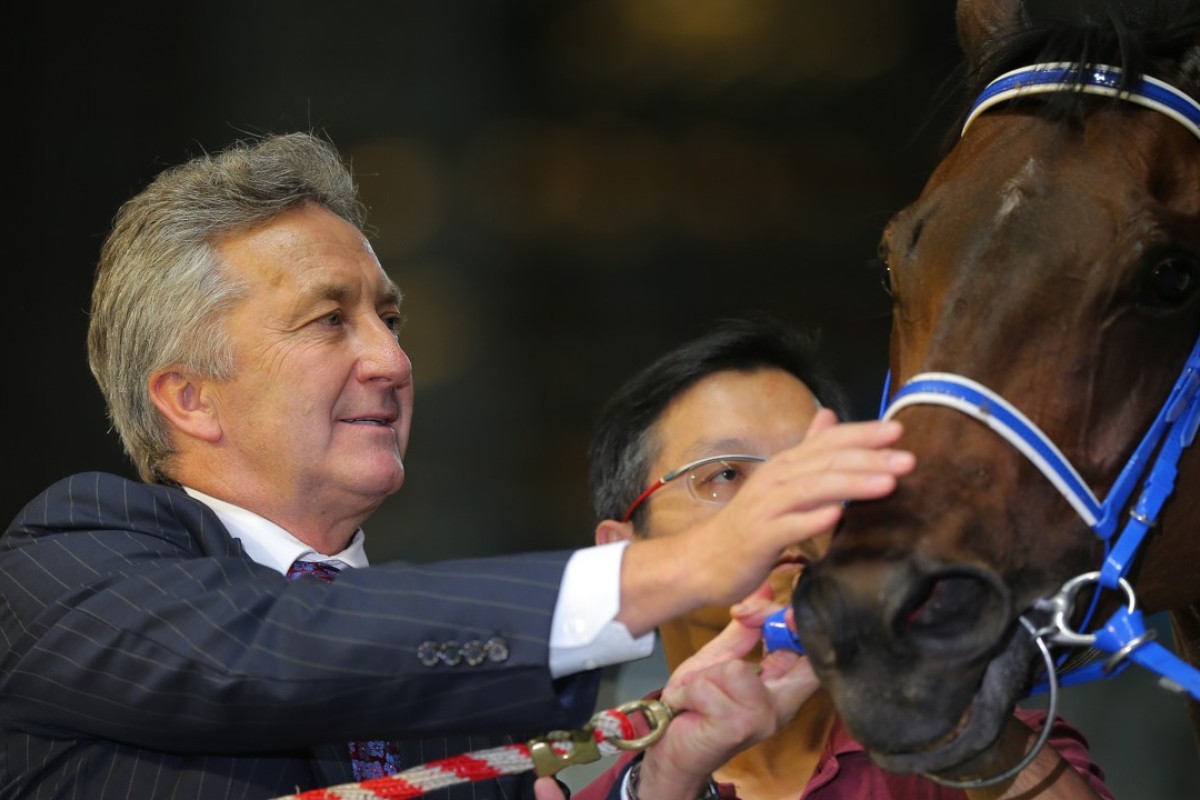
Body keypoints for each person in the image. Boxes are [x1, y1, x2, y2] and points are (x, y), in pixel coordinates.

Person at [0, 133, 918, 800]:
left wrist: (672, 771)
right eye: (330, 320)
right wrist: (688, 565)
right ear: (188, 396)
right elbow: (275, 650)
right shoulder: (66, 561)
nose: (393, 361)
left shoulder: (466, 677)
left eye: (389, 320)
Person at [534, 314, 1112, 800]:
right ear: (622, 556)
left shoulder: (998, 749)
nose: (786, 501)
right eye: (727, 474)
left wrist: (950, 711)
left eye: (813, 469)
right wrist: (669, 780)